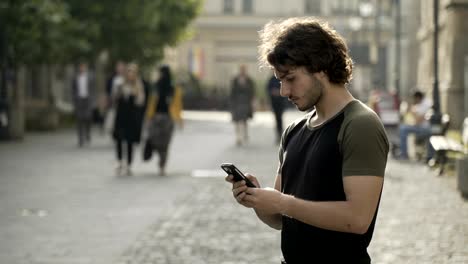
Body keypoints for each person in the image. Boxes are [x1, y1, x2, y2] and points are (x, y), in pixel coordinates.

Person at [225, 17, 389, 263]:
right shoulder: (294, 130)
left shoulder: (360, 124)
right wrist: (258, 200)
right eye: (280, 81)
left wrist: (281, 202)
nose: (284, 91)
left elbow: (357, 219)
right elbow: (280, 219)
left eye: (290, 79)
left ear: (320, 67)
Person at [112, 63, 146, 176]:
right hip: (121, 116)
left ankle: (129, 164)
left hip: (132, 117)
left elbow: (141, 102)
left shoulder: (138, 85)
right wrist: (120, 92)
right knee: (119, 139)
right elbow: (114, 99)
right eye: (129, 72)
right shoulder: (120, 84)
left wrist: (135, 94)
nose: (130, 74)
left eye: (132, 72)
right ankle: (120, 161)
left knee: (130, 141)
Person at [145, 65, 175, 176]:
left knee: (158, 141)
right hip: (166, 117)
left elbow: (152, 101)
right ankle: (162, 165)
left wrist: (148, 116)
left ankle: (161, 164)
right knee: (165, 143)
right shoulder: (170, 87)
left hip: (158, 117)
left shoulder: (158, 85)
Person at [397, 90, 433, 160]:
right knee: (403, 127)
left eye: (414, 99)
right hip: (425, 127)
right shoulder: (425, 102)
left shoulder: (424, 105)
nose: (414, 101)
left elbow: (418, 120)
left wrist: (411, 110)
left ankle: (404, 154)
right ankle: (404, 152)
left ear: (418, 98)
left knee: (403, 129)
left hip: (426, 129)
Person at [230, 64, 255, 146]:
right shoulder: (235, 79)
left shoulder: (249, 80)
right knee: (237, 120)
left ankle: (244, 134)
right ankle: (238, 137)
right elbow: (232, 92)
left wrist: (252, 102)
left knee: (244, 120)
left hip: (245, 103)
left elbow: (252, 92)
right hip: (237, 103)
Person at [72, 62, 95, 147]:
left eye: (83, 67)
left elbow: (93, 89)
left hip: (88, 100)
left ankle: (88, 134)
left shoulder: (91, 77)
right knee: (79, 119)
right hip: (79, 100)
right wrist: (74, 99)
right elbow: (73, 89)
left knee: (88, 118)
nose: (82, 68)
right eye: (81, 67)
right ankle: (80, 139)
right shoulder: (75, 77)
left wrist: (93, 100)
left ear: (86, 68)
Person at [266, 74, 288, 143]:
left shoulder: (281, 78)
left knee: (280, 118)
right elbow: (268, 89)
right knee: (277, 119)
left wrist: (279, 92)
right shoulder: (271, 79)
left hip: (281, 102)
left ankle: (281, 134)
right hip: (274, 103)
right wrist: (272, 92)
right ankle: (278, 134)